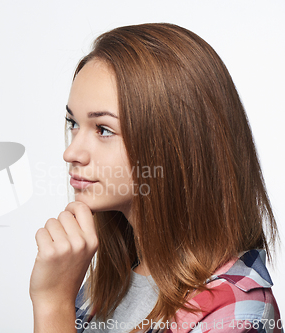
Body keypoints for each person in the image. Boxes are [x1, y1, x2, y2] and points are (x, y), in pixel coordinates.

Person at [29, 23, 282, 333]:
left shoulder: (237, 310)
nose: (72, 153)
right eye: (73, 124)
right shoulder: (106, 286)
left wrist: (53, 304)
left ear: (174, 144)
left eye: (104, 129)